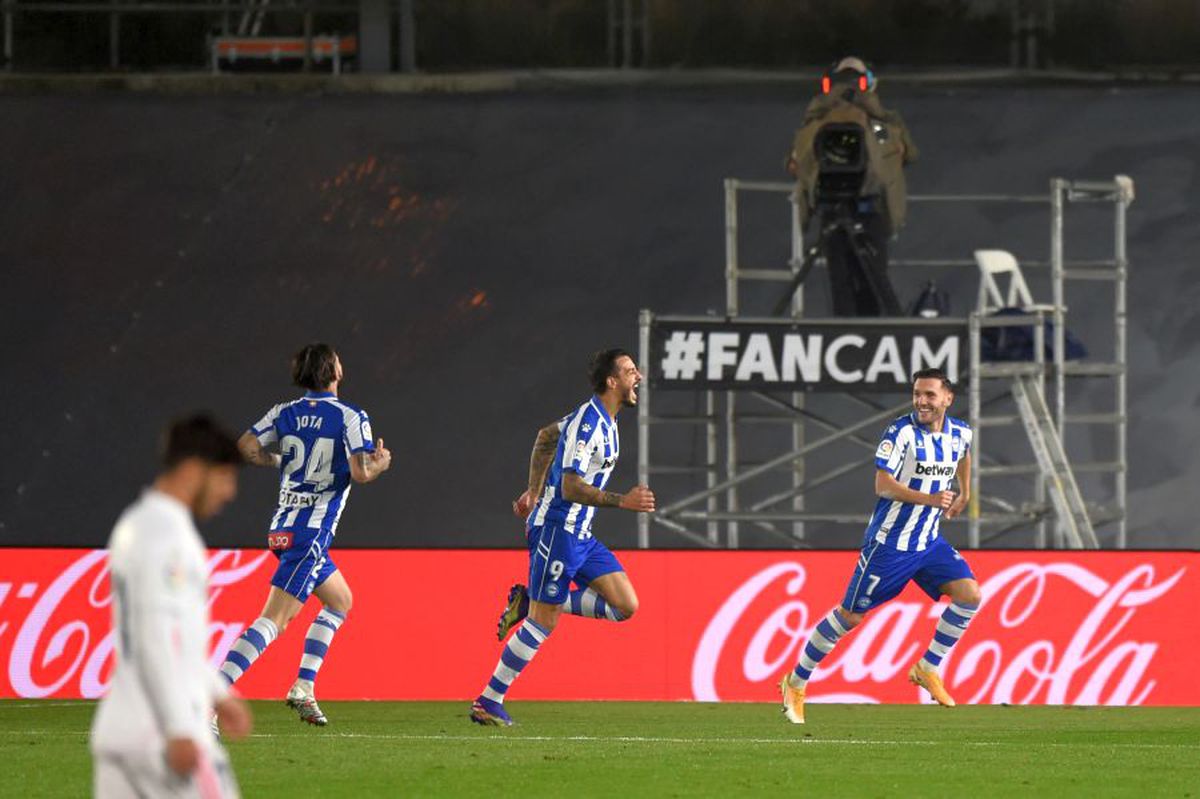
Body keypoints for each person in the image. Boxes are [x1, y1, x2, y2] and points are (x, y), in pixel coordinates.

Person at [780, 368, 982, 723]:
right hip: (889, 544)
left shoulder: (960, 432)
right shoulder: (901, 432)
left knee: (969, 595)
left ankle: (927, 667)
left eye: (930, 395)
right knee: (850, 616)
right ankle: (796, 682)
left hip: (928, 541)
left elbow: (964, 454)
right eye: (917, 394)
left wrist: (965, 491)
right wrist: (930, 498)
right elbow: (883, 485)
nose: (921, 401)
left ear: (948, 398)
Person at [469, 349, 656, 726]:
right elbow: (570, 487)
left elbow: (545, 437)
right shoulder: (589, 424)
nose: (638, 376)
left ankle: (531, 601)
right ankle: (489, 700)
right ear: (612, 381)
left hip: (580, 534)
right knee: (544, 622)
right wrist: (622, 501)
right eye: (630, 371)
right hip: (557, 530)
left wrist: (532, 490)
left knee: (625, 605)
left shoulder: (603, 419)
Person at [217, 343, 392, 726]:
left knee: (340, 601)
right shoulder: (350, 416)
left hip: (283, 529)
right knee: (274, 621)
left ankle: (304, 686)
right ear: (335, 371)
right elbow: (361, 473)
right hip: (310, 535)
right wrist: (380, 464)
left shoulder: (284, 412)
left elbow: (244, 448)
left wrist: (280, 460)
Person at [91, 414, 253, 798]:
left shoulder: (136, 523)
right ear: (194, 470)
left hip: (121, 731)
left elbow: (174, 641)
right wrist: (179, 726)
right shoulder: (168, 536)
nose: (230, 492)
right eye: (225, 477)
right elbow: (157, 637)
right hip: (161, 734)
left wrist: (218, 693)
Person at [786, 56, 919, 317]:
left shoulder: (818, 125)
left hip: (836, 211)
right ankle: (873, 333)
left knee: (843, 288)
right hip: (868, 212)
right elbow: (898, 153)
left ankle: (846, 333)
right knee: (871, 285)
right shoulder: (876, 125)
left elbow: (796, 162)